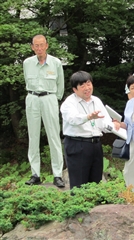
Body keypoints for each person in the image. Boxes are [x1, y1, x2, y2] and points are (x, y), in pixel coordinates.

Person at [60, 71, 120, 190]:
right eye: (82, 86)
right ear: (75, 89)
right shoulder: (69, 103)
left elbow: (104, 122)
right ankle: (79, 208)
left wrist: (114, 125)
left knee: (95, 183)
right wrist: (88, 117)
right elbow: (73, 119)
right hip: (78, 144)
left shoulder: (96, 100)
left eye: (88, 84)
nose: (87, 88)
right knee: (79, 184)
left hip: (95, 145)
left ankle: (95, 208)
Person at [23, 34, 65, 188]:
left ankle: (57, 174)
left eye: (42, 45)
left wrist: (54, 99)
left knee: (53, 136)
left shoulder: (56, 63)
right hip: (32, 98)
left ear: (47, 45)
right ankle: (35, 174)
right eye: (36, 45)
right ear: (32, 47)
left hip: (49, 98)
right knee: (33, 137)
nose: (39, 48)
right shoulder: (27, 63)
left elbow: (60, 85)